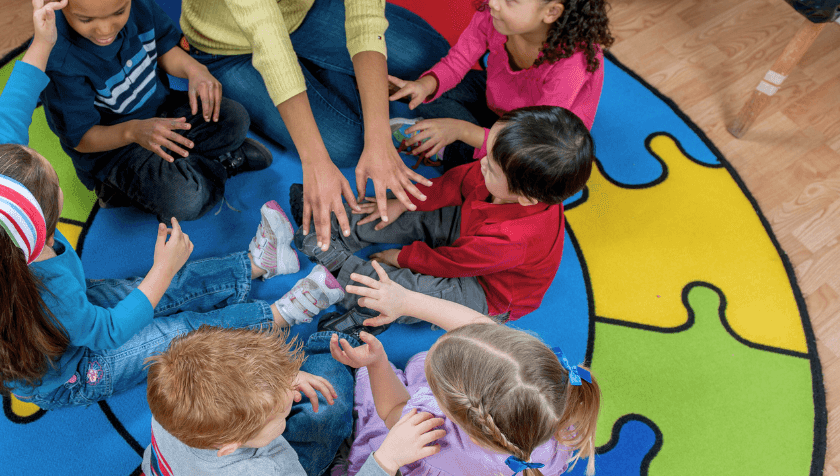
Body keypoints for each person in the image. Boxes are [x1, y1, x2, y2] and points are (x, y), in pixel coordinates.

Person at [0, 0, 346, 411]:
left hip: (67, 317)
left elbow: (11, 106)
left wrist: (43, 41)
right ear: (43, 228)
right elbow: (104, 333)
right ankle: (278, 317)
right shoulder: (48, 288)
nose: (43, 160)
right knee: (183, 331)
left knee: (162, 288)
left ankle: (259, 264)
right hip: (80, 370)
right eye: (52, 181)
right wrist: (160, 270)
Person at [182, 0, 452, 248]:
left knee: (426, 56)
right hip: (229, 45)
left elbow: (365, 13)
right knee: (343, 146)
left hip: (305, 10)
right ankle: (320, 79)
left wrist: (381, 137)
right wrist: (315, 162)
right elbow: (266, 35)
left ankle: (321, 75)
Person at [38, 0, 271, 222]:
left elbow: (163, 46)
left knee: (234, 118)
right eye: (86, 19)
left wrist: (193, 71)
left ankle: (181, 170)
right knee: (189, 199)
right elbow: (82, 138)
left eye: (118, 12)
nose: (105, 29)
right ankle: (126, 188)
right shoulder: (59, 57)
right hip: (116, 148)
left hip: (161, 112)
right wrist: (135, 131)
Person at [294, 106, 593, 331]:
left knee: (418, 291)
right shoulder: (501, 176)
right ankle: (333, 226)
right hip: (472, 234)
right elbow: (454, 184)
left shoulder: (515, 240)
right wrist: (404, 202)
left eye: (491, 166)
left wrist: (402, 257)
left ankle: (346, 279)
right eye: (487, 153)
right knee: (416, 214)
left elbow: (453, 263)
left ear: (526, 197)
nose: (481, 163)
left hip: (485, 293)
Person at [327, 261, 601, 476]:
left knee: (374, 408)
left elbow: (391, 410)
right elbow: (478, 328)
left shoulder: (434, 427)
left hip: (422, 452)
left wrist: (376, 364)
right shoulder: (550, 410)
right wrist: (407, 301)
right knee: (431, 362)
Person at [389, 0, 611, 170]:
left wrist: (462, 130)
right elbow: (458, 60)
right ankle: (462, 144)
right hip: (500, 107)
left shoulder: (570, 65)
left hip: (539, 138)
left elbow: (531, 141)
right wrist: (425, 85)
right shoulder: (495, 15)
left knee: (512, 171)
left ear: (551, 12)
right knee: (434, 93)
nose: (492, 0)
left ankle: (458, 153)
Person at [143, 326, 447, 476]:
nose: (291, 395)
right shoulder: (267, 471)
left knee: (324, 385)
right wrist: (386, 460)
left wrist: (284, 377)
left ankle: (327, 348)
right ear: (231, 445)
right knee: (331, 403)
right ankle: (333, 339)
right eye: (280, 412)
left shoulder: (174, 402)